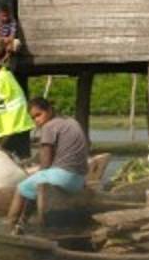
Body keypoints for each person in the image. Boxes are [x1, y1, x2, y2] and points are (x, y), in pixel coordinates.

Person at [7, 97, 90, 227]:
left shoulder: (49, 126)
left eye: (39, 115)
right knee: (35, 185)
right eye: (33, 118)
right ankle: (23, 222)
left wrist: (33, 173)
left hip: (63, 177)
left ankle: (9, 225)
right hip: (79, 180)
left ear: (50, 110)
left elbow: (45, 164)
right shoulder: (71, 121)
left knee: (21, 188)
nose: (37, 120)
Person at [0, 56, 33, 159]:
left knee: (9, 135)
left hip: (14, 113)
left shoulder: (2, 77)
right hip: (12, 112)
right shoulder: (5, 75)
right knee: (11, 134)